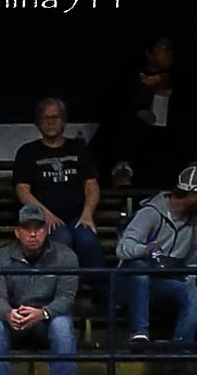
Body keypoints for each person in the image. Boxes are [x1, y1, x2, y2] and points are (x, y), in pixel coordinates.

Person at [0, 204, 81, 375]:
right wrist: (9, 314)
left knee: (63, 324)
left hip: (47, 321)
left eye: (38, 228)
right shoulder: (0, 258)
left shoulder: (66, 257)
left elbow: (66, 298)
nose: (33, 233)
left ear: (46, 230)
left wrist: (43, 312)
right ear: (17, 231)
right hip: (14, 322)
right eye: (27, 228)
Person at [11, 98, 106, 288]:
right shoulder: (27, 152)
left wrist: (87, 215)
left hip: (77, 215)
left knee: (88, 239)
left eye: (55, 117)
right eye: (45, 118)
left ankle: (102, 297)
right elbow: (22, 190)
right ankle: (62, 296)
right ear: (38, 123)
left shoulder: (79, 149)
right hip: (43, 219)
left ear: (64, 121)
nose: (51, 122)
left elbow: (92, 186)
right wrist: (45, 215)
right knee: (62, 238)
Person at [110, 164, 197, 347]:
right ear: (192, 194)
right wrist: (146, 249)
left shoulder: (194, 221)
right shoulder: (151, 212)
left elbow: (191, 264)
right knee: (140, 268)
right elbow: (123, 248)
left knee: (192, 292)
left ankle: (180, 352)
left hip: (164, 282)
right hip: (130, 283)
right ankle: (139, 333)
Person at [91, 33, 190, 190]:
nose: (168, 52)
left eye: (170, 49)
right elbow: (113, 114)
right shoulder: (130, 80)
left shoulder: (182, 83)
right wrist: (146, 93)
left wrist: (163, 91)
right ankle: (122, 170)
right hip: (138, 143)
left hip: (170, 143)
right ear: (149, 53)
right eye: (163, 47)